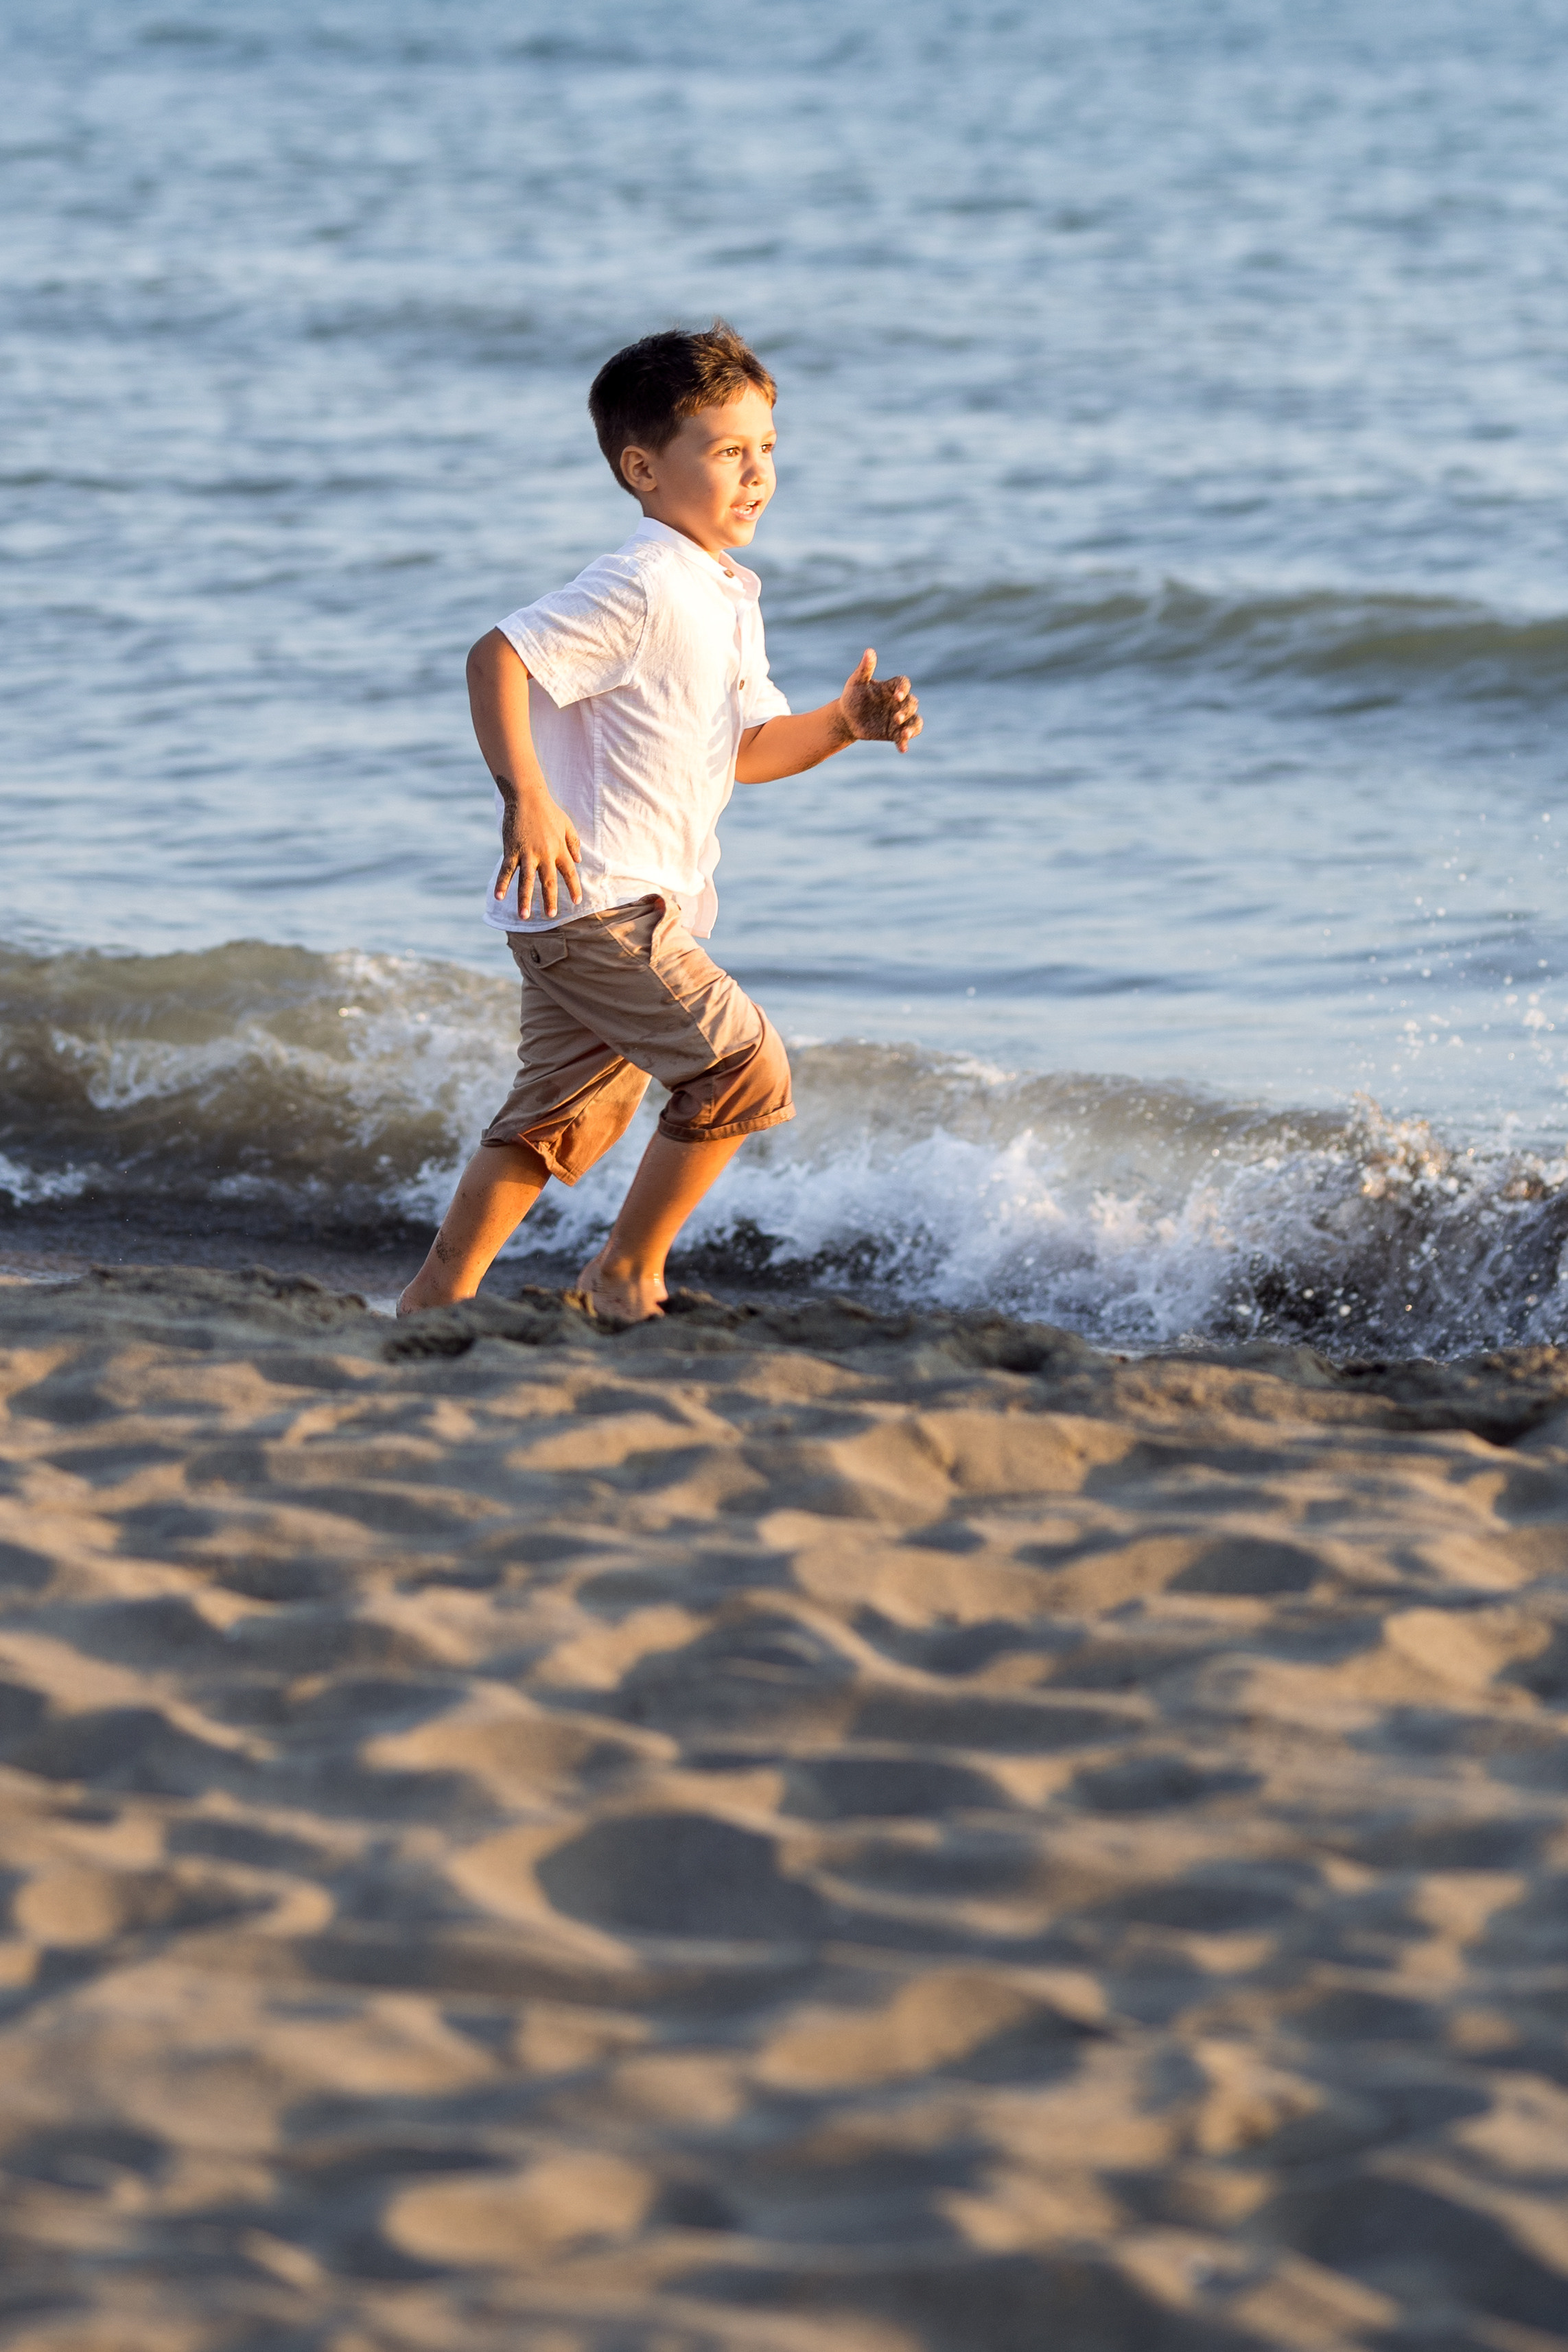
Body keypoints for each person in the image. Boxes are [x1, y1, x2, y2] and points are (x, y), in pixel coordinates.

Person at [398, 321, 922, 1324]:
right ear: (643, 468)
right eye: (727, 452)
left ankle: (434, 1302)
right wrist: (527, 799)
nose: (758, 474)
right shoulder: (642, 583)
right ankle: (625, 1273)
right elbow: (497, 657)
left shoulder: (724, 595)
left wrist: (842, 725)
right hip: (600, 904)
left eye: (767, 449)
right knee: (741, 1067)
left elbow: (748, 749)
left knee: (552, 1122)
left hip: (593, 910)